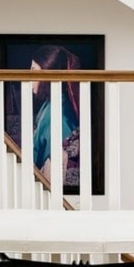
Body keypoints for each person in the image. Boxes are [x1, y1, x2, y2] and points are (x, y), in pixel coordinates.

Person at [30, 44, 81, 183]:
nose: (29, 79)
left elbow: (39, 156)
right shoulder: (54, 101)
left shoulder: (57, 113)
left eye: (33, 72)